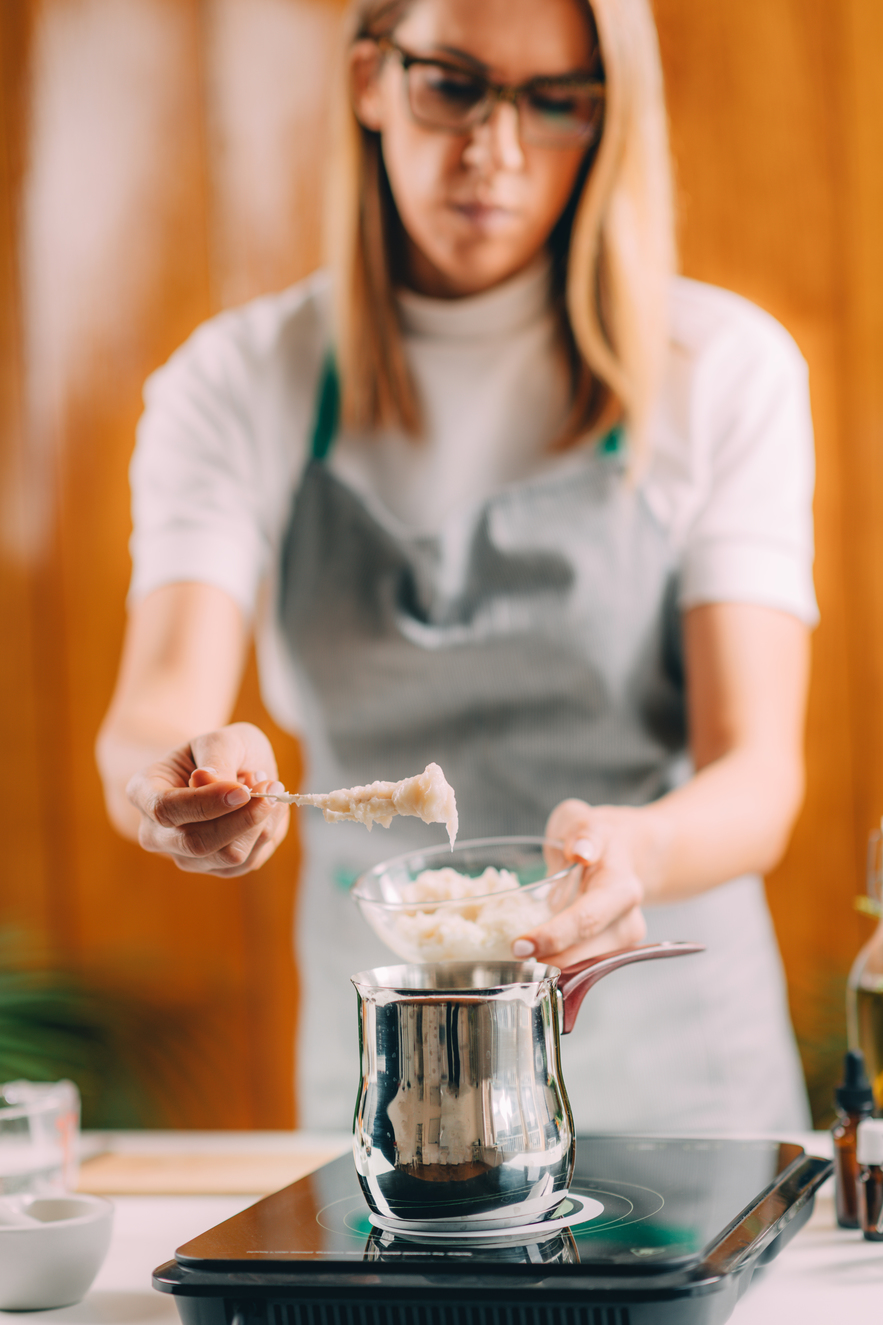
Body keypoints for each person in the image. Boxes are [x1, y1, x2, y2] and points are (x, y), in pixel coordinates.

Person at [97, 0, 817, 1133]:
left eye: (556, 101)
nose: (498, 150)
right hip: (397, 1081)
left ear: (608, 113)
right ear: (372, 79)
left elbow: (760, 771)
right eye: (454, 85)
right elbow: (152, 710)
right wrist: (178, 783)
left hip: (680, 1070)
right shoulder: (241, 381)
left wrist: (643, 846)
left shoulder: (720, 371)